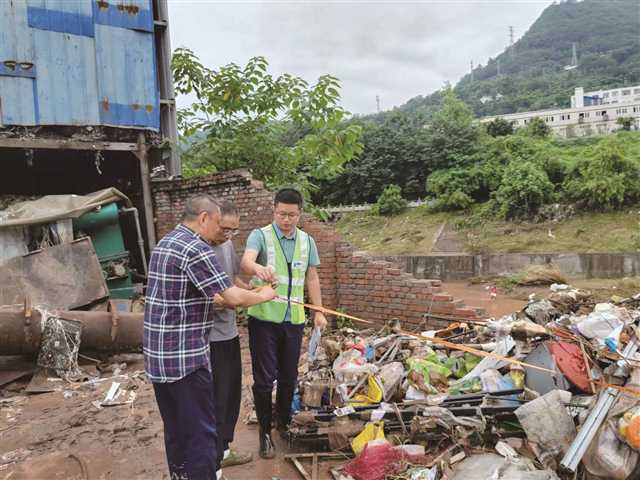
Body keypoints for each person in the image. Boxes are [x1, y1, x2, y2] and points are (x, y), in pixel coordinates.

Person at [144, 194, 276, 480]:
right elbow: (229, 297)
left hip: (159, 361)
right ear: (204, 218)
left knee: (177, 430)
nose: (222, 231)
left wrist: (248, 291)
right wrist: (265, 294)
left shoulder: (165, 243)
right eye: (219, 224)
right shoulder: (195, 247)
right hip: (186, 360)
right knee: (201, 433)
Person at [240, 188, 327, 459]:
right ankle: (265, 433)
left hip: (295, 320)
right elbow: (246, 262)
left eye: (291, 215)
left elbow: (311, 277)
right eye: (281, 214)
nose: (286, 220)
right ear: (274, 211)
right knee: (264, 380)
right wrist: (257, 269)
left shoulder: (306, 241)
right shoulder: (261, 235)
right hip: (264, 319)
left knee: (289, 376)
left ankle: (284, 424)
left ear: (300, 214)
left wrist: (319, 312)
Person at [207, 202, 253, 470]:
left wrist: (252, 287)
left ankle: (223, 449)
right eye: (224, 229)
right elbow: (216, 298)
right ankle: (211, 458)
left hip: (229, 332)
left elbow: (232, 280)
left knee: (231, 394)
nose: (227, 235)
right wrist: (252, 298)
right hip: (207, 338)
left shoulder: (225, 245)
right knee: (214, 396)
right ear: (210, 220)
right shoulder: (200, 251)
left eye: (233, 231)